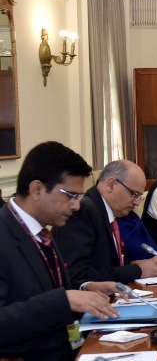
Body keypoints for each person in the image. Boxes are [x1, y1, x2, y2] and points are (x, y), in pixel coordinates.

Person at [0, 141, 120, 361]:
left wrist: (86, 287)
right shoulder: (5, 233)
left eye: (79, 197)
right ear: (37, 189)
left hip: (72, 348)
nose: (76, 206)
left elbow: (48, 287)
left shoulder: (41, 228)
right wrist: (64, 300)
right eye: (70, 195)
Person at [52, 160, 157, 284]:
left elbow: (105, 264)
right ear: (111, 185)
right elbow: (77, 275)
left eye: (139, 197)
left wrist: (133, 265)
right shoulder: (83, 212)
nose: (136, 202)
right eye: (134, 194)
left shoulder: (105, 210)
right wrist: (137, 270)